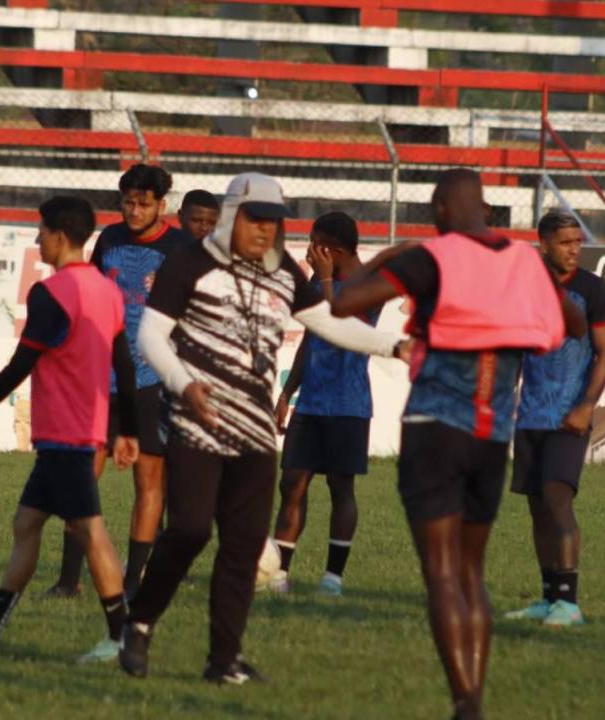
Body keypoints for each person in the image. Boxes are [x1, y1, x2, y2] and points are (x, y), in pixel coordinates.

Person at [117, 172, 406, 684]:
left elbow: (329, 321)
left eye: (274, 221)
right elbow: (151, 336)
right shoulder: (189, 263)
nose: (265, 230)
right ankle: (138, 623)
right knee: (188, 530)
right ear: (231, 216)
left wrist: (394, 347)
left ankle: (223, 660)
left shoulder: (284, 272)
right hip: (196, 420)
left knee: (243, 544)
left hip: (253, 431)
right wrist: (185, 384)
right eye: (256, 219)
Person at [329, 169, 585, 720]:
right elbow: (574, 323)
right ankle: (476, 699)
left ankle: (466, 704)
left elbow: (345, 302)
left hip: (435, 430)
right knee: (472, 574)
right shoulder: (524, 261)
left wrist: (388, 255)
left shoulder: (431, 257)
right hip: (493, 436)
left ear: (441, 209)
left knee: (442, 575)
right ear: (485, 207)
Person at [0, 196, 139, 664]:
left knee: (91, 532)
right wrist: (126, 428)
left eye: (41, 231)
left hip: (67, 435)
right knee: (26, 523)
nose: (36, 239)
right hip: (76, 431)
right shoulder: (107, 290)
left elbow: (19, 366)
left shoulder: (52, 293)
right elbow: (125, 366)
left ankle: (123, 637)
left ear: (58, 236)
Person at [48, 163, 191, 600]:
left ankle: (133, 583)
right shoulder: (108, 240)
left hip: (152, 378)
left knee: (148, 480)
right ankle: (68, 579)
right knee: (82, 476)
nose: (133, 210)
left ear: (161, 206)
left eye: (143, 203)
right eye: (127, 202)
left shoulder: (181, 247)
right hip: (102, 375)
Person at [505, 210, 605, 627]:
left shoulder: (593, 289)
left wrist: (588, 404)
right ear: (544, 245)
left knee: (557, 498)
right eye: (566, 242)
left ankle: (569, 603)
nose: (575, 250)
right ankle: (548, 597)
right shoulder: (525, 290)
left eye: (578, 242)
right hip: (530, 414)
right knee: (537, 507)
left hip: (570, 416)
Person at [268, 212, 380, 595]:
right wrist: (286, 394)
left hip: (348, 404)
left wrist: (327, 279)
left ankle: (333, 578)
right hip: (311, 402)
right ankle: (278, 573)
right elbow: (313, 338)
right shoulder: (320, 279)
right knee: (292, 483)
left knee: (340, 487)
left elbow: (343, 324)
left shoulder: (369, 282)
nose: (310, 251)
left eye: (315, 242)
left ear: (330, 247)